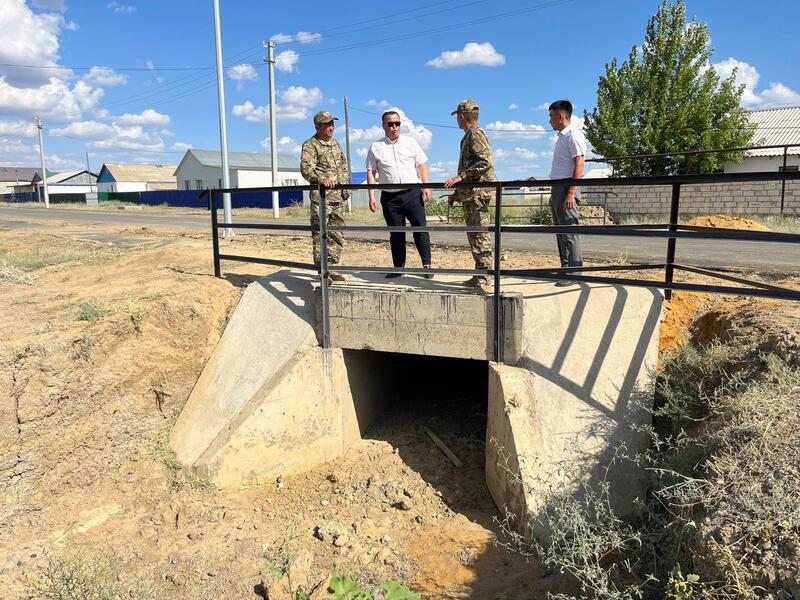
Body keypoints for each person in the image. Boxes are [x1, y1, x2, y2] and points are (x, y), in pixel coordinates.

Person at [366, 110, 433, 279]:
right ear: (384, 126)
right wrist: (371, 196)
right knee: (396, 232)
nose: (395, 127)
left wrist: (426, 186)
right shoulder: (376, 147)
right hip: (390, 198)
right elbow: (371, 173)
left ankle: (427, 265)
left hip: (412, 194)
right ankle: (398, 267)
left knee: (420, 229)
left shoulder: (410, 143)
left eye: (397, 123)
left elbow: (421, 165)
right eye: (391, 124)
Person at [443, 99, 495, 289]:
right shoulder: (469, 135)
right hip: (472, 193)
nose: (457, 119)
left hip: (478, 194)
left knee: (480, 234)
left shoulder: (475, 135)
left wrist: (461, 177)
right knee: (475, 234)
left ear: (463, 116)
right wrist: (458, 191)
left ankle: (485, 277)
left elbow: (485, 162)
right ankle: (480, 273)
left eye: (457, 115)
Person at [300, 110, 350, 281]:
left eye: (332, 124)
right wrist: (321, 179)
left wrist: (346, 188)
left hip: (337, 198)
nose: (331, 127)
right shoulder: (310, 145)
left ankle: (332, 268)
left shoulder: (336, 144)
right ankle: (322, 270)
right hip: (321, 198)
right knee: (321, 233)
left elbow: (343, 167)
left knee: (337, 233)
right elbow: (306, 170)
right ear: (317, 126)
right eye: (327, 124)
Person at [548, 99, 585, 286]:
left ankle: (575, 271)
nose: (549, 120)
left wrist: (571, 192)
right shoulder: (562, 137)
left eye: (551, 116)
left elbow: (579, 164)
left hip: (566, 188)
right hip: (557, 188)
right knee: (560, 231)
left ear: (561, 116)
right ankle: (565, 268)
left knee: (570, 230)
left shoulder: (573, 136)